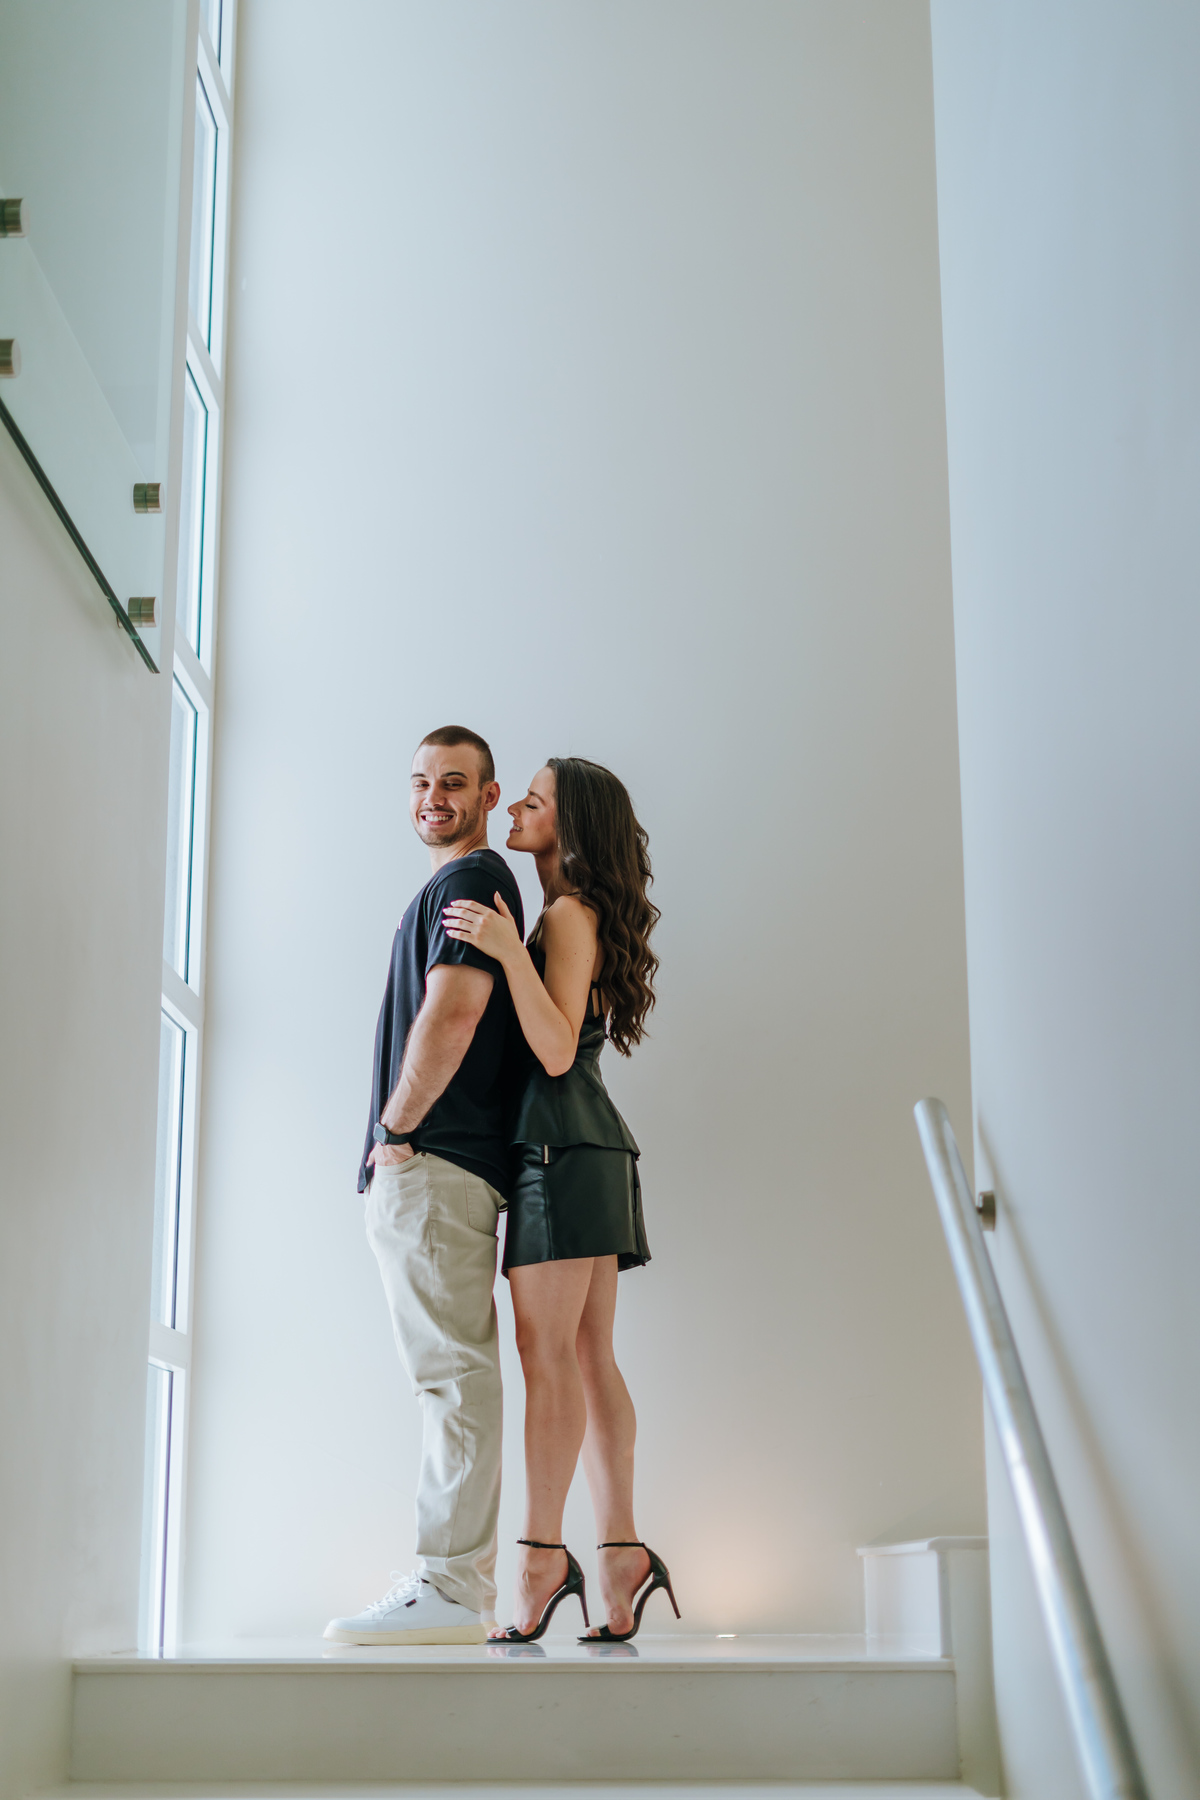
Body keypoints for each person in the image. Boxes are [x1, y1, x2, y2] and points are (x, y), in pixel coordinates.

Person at [443, 756, 678, 1644]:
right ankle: (619, 1555)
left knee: (550, 1358)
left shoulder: (568, 914)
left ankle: (543, 1558)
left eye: (535, 798)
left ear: (569, 824)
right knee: (586, 1357)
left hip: (561, 1149)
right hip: (583, 1145)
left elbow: (551, 1049)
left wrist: (508, 951)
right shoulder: (569, 913)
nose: (518, 804)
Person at [324, 726, 524, 1647]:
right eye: (420, 782)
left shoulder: (472, 879)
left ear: (489, 795)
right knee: (447, 1376)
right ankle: (454, 1585)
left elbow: (454, 1012)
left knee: (452, 1377)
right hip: (432, 1164)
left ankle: (450, 1587)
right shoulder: (450, 886)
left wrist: (395, 1130)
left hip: (433, 1160)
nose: (433, 797)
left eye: (453, 782)